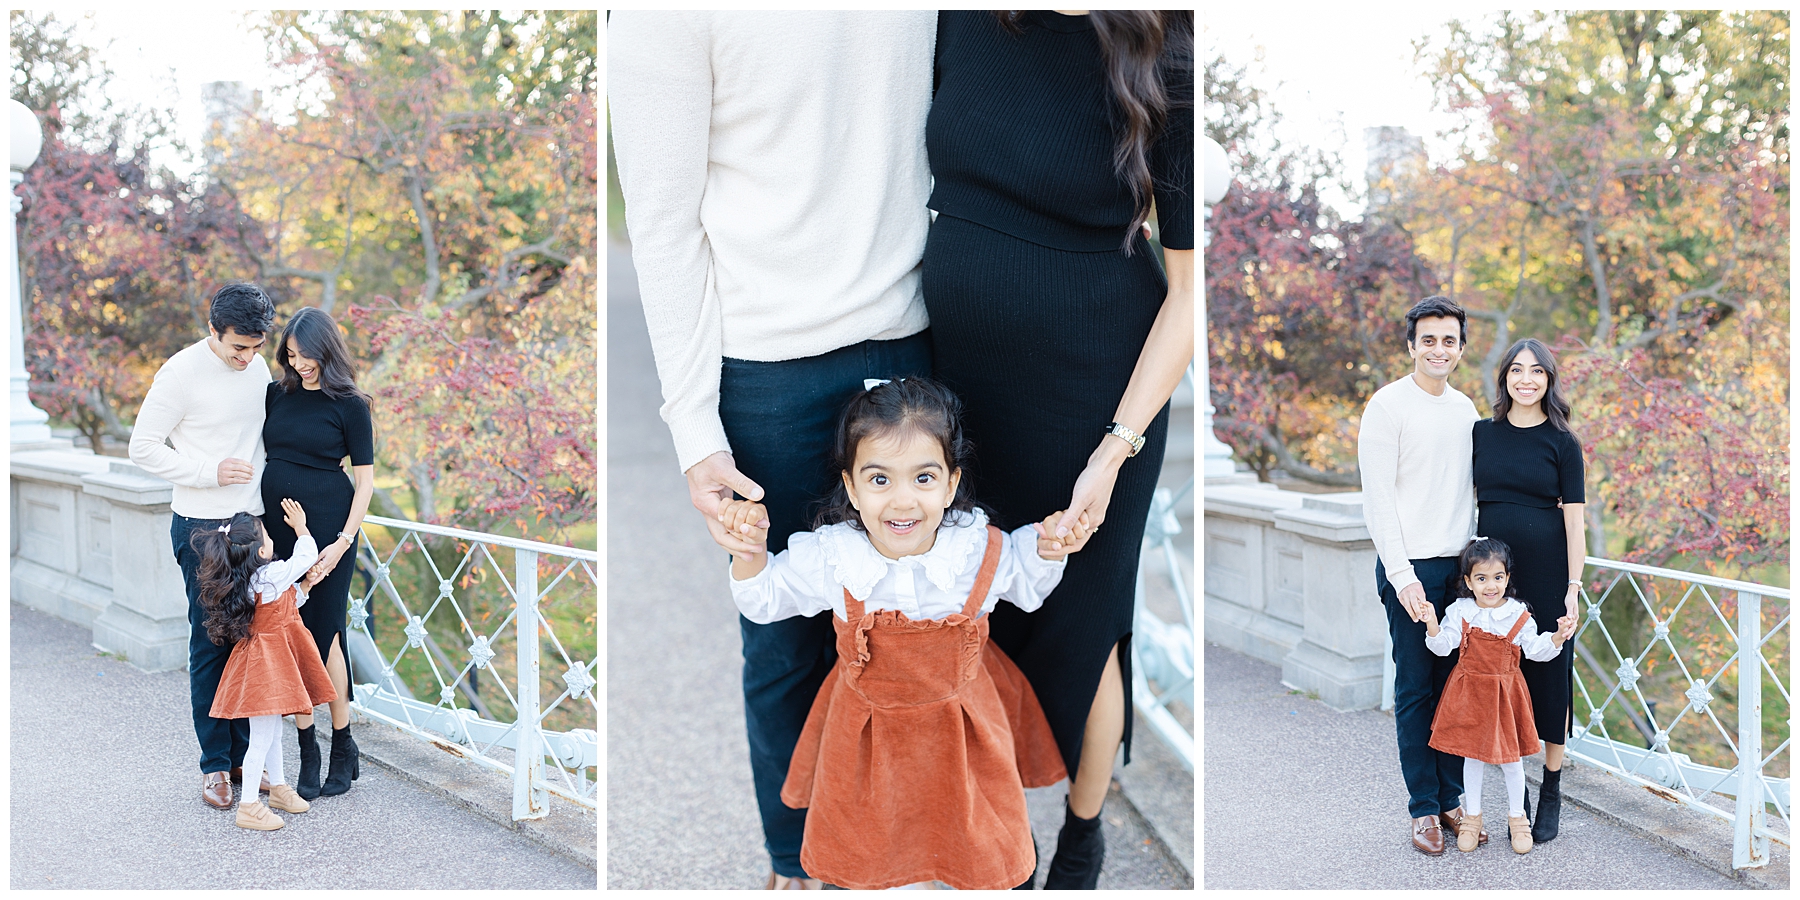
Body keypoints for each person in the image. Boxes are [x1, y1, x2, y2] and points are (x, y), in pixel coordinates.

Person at [609, 11, 936, 888]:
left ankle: (891, 849)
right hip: (765, 369)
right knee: (786, 637)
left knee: (913, 624)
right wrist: (693, 428)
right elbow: (663, 221)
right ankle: (796, 863)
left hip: (914, 337)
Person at [921, 10, 1193, 887]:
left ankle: (1082, 830)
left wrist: (1112, 452)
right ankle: (991, 832)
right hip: (951, 380)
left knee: (1080, 630)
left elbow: (1190, 297)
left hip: (1094, 394)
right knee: (955, 611)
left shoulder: (1175, 48)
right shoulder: (959, 18)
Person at [715, 379, 1086, 889]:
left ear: (951, 485)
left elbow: (1027, 580)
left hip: (961, 736)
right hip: (866, 740)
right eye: (880, 480)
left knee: (975, 844)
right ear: (851, 487)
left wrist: (1051, 548)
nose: (903, 501)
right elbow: (764, 601)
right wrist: (750, 555)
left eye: (924, 478)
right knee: (871, 851)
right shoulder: (835, 557)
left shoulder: (975, 549)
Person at [128, 282, 277, 810]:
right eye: (238, 347)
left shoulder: (256, 367)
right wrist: (206, 472)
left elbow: (260, 442)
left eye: (255, 347)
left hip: (250, 525)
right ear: (212, 330)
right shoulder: (180, 373)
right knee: (211, 646)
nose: (247, 358)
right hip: (200, 529)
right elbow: (141, 446)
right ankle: (215, 766)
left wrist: (262, 517)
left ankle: (245, 759)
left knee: (251, 645)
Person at [1356, 296, 1481, 855]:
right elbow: (1378, 501)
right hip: (1409, 569)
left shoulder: (1467, 411)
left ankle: (1453, 798)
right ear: (1411, 345)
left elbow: (1472, 497)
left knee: (1455, 689)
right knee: (1414, 691)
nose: (1438, 349)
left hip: (1460, 574)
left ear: (1460, 348)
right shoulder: (1387, 407)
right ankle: (1424, 808)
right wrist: (1403, 577)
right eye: (1428, 339)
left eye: (1448, 340)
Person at [1471, 337, 1587, 842]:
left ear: (1548, 380)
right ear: (1504, 379)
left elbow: (1577, 527)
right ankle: (1502, 797)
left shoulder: (1564, 442)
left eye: (1536, 372)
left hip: (1546, 572)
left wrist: (1573, 588)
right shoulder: (1481, 433)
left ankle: (1551, 789)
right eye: (1516, 370)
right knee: (1493, 674)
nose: (1526, 379)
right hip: (1491, 577)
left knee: (1551, 677)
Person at [261, 306, 375, 799]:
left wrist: (342, 541)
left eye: (307, 356)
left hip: (329, 527)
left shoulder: (351, 404)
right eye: (290, 355)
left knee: (324, 631)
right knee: (291, 629)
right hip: (278, 530)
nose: (300, 364)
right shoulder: (275, 395)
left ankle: (342, 741)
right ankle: (309, 746)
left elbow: (366, 481)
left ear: (327, 352)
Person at [1421, 537, 1574, 855]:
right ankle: (1472, 818)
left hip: (1505, 695)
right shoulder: (1461, 611)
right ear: (1468, 581)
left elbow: (1536, 650)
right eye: (1481, 578)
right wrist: (1432, 623)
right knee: (1472, 757)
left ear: (1506, 578)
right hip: (1470, 694)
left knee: (1511, 761)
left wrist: (1558, 636)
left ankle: (1518, 820)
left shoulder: (1517, 614)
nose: (1490, 586)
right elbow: (1442, 646)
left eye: (1497, 577)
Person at [193, 500, 338, 831]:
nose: (272, 538)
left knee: (272, 732)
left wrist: (306, 587)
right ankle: (248, 807)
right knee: (261, 737)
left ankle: (279, 789)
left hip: (263, 662)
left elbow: (284, 605)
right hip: (267, 667)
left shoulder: (252, 580)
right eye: (268, 535)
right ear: (259, 552)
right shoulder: (271, 573)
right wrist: (301, 527)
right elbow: (305, 557)